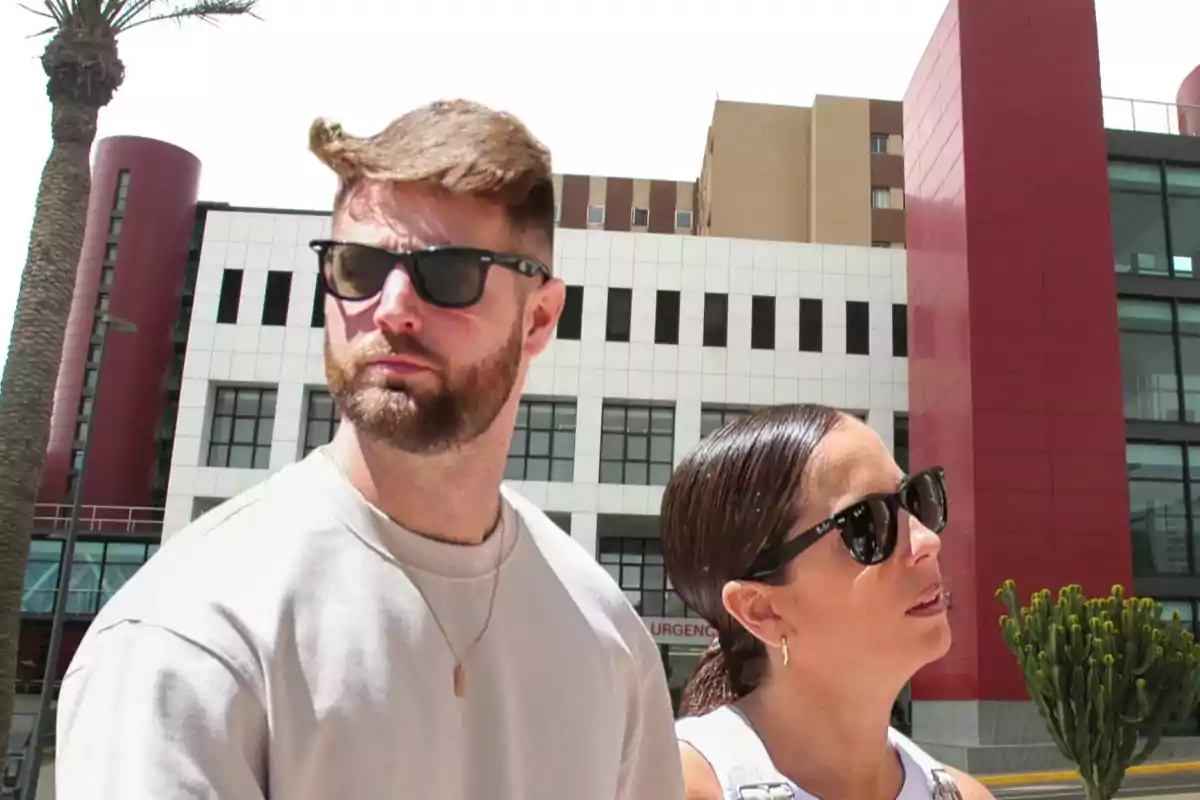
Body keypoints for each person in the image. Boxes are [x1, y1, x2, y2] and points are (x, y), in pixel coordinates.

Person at [54, 99, 685, 800]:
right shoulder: (192, 631)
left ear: (538, 317)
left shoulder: (603, 631)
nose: (390, 308)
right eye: (357, 267)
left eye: (448, 273)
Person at [661, 404, 994, 800]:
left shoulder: (965, 796)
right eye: (867, 525)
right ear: (761, 610)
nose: (927, 541)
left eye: (916, 499)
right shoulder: (674, 787)